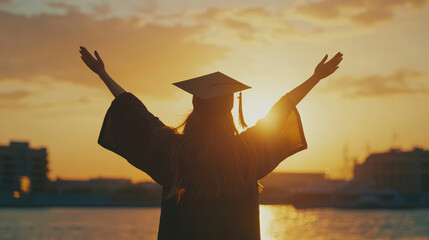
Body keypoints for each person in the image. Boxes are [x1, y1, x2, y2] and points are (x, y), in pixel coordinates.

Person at [79, 46, 343, 240]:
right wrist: (315, 78)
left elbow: (135, 113)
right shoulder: (247, 153)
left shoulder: (173, 152)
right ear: (228, 112)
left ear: (196, 109)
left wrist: (103, 74)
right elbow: (281, 110)